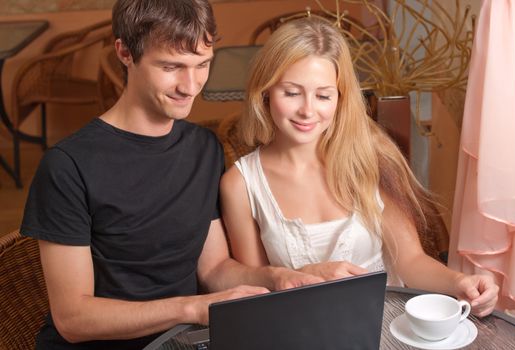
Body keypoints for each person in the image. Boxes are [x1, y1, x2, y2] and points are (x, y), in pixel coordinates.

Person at [20, 1, 319, 349]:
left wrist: (276, 278)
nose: (190, 86)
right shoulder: (67, 165)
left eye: (202, 65)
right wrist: (192, 308)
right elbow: (73, 318)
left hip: (182, 340)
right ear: (125, 53)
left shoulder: (203, 148)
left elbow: (213, 268)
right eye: (171, 66)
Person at [220, 17, 499, 318]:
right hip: (301, 329)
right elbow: (256, 294)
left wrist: (461, 282)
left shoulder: (370, 158)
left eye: (324, 95)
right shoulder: (240, 185)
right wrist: (305, 274)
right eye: (291, 92)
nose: (308, 110)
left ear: (341, 99)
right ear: (265, 92)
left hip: (387, 324)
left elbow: (410, 261)